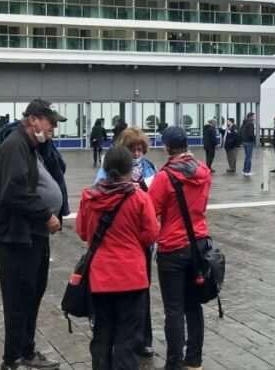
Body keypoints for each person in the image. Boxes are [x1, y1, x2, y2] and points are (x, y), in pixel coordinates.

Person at [0, 99, 65, 370]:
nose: (53, 126)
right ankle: (12, 360)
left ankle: (27, 350)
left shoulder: (32, 146)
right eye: (50, 121)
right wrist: (45, 214)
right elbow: (13, 190)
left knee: (32, 294)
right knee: (18, 299)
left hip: (33, 235)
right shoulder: (15, 146)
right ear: (34, 120)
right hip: (17, 237)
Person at [76, 146, 159, 370]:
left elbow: (83, 232)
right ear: (129, 170)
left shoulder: (88, 197)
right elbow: (151, 234)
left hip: (100, 277)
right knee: (127, 336)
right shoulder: (140, 199)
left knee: (102, 334)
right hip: (132, 276)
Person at [148, 125, 212, 370]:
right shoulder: (204, 172)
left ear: (166, 147)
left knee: (174, 309)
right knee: (193, 305)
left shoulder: (164, 177)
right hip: (199, 244)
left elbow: (151, 210)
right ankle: (194, 361)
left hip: (173, 247)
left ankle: (174, 363)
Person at [94, 127, 157, 358]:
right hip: (118, 242)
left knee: (143, 296)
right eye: (133, 148)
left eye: (141, 148)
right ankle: (121, 343)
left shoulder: (150, 168)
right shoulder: (107, 171)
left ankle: (143, 339)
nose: (138, 153)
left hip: (141, 244)